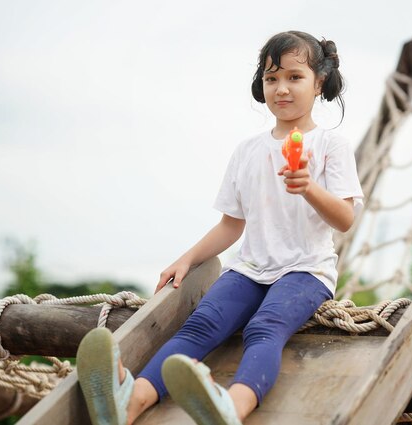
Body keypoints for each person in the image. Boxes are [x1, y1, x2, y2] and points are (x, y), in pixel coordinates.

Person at [76, 30, 364, 425]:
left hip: (306, 270)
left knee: (264, 327)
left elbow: (344, 219)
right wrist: (186, 259)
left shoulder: (331, 146)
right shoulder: (247, 150)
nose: (281, 88)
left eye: (294, 77)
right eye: (271, 78)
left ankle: (232, 406)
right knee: (202, 324)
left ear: (319, 83)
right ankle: (129, 401)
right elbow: (232, 224)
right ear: (260, 85)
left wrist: (309, 188)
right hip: (249, 269)